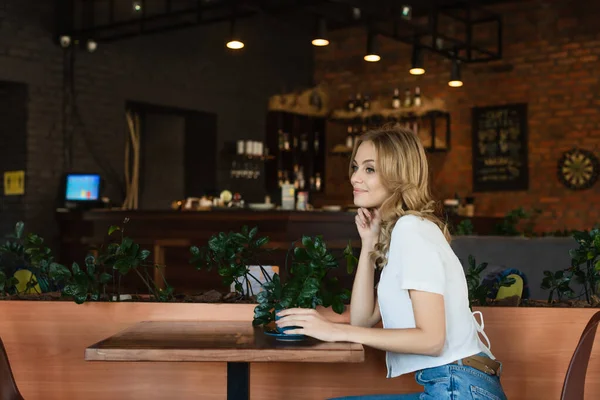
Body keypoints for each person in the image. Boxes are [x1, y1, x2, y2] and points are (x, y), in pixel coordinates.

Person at [276, 125, 507, 399]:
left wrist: (333, 330)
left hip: (459, 388)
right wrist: (369, 244)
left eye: (370, 169)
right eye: (355, 167)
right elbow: (363, 321)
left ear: (398, 175)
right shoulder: (404, 231)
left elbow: (432, 340)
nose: (355, 178)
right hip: (456, 386)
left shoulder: (412, 230)